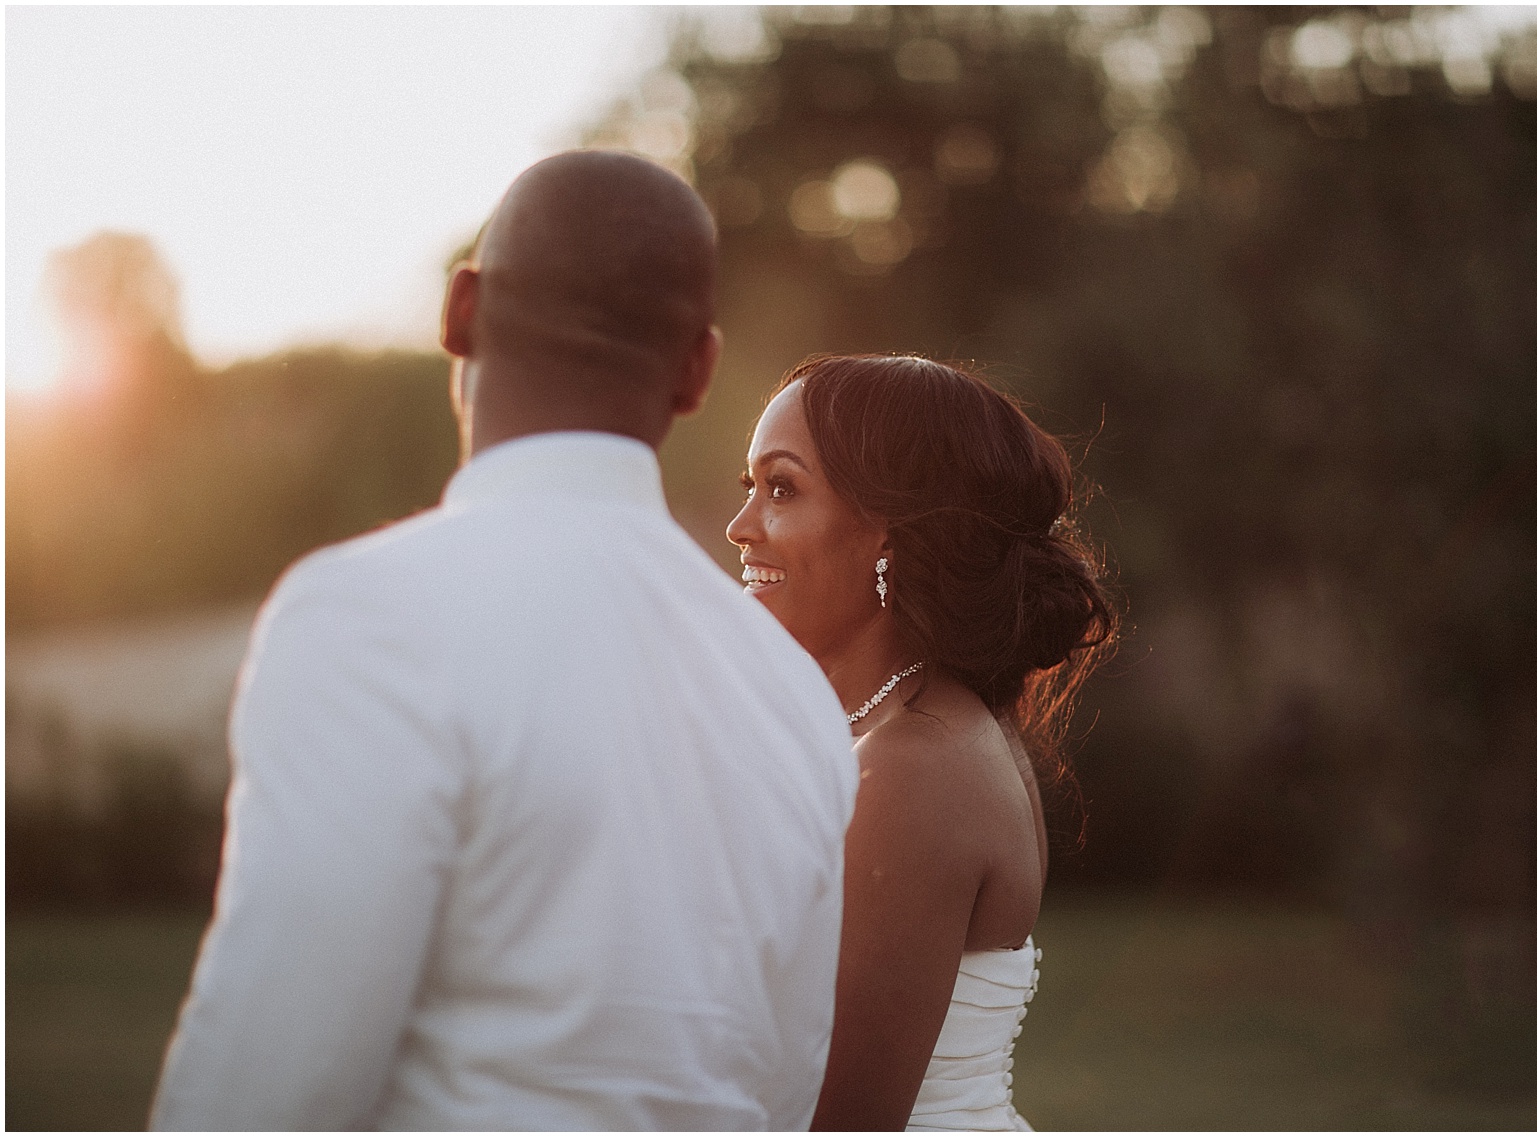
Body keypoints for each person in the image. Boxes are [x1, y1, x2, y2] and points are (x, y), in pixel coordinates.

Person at [150, 152, 860, 1130]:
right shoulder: (793, 697)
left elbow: (270, 1081)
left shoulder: (364, 618)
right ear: (697, 369)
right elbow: (783, 1088)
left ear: (460, 314)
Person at [726, 354, 1118, 1131]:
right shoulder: (918, 729)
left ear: (886, 533)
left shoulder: (913, 767)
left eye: (782, 487)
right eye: (751, 488)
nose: (741, 528)